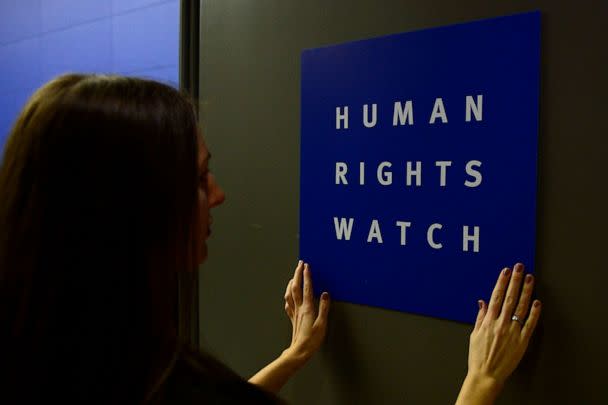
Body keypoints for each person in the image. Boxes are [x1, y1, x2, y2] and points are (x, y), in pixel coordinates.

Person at [0, 74, 540, 404]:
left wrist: (294, 354)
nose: (219, 194)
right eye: (198, 178)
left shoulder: (59, 358)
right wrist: (482, 381)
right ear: (131, 210)